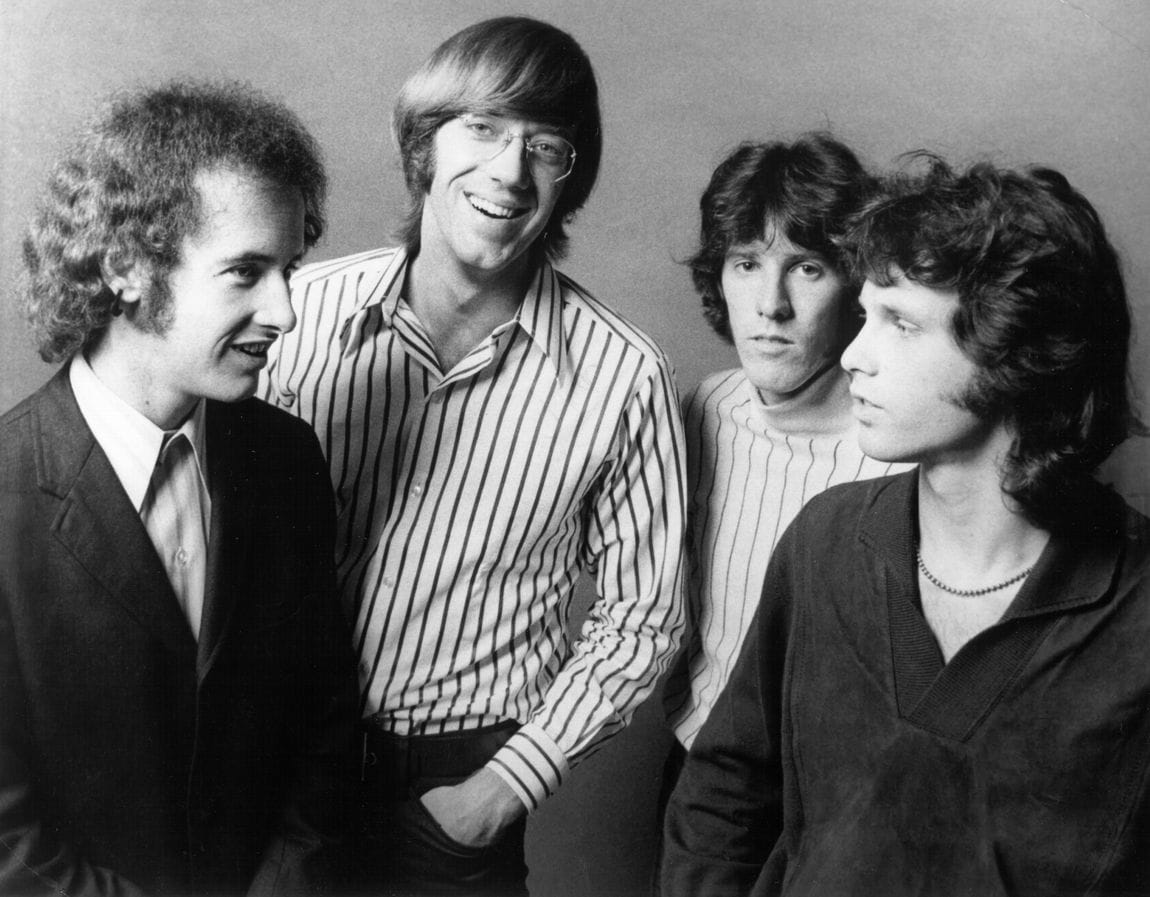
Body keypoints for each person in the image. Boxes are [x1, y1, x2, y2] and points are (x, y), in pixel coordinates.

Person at [262, 16, 686, 895]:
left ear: (569, 179)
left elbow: (642, 617)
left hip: (457, 785)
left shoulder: (624, 375)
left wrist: (499, 790)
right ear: (425, 146)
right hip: (277, 758)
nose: (510, 171)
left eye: (547, 146)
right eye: (483, 128)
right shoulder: (297, 316)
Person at [661, 156, 1150, 896]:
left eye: (900, 323)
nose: (854, 356)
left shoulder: (1136, 609)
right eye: (867, 314)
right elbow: (724, 794)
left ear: (1012, 349)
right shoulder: (824, 540)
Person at [0, 81, 360, 896]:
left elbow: (325, 727)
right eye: (245, 272)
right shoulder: (8, 489)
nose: (286, 311)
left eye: (288, 270)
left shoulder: (286, 459)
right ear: (126, 267)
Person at [662, 136, 909, 761]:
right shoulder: (704, 410)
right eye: (746, 264)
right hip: (699, 765)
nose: (771, 306)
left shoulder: (904, 452)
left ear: (855, 288)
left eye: (807, 268)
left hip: (839, 782)